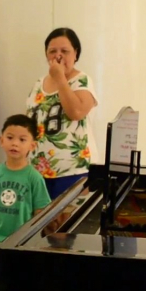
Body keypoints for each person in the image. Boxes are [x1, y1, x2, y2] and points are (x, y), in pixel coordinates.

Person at [26, 28, 98, 200]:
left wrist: (60, 78)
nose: (58, 56)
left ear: (76, 53)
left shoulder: (82, 80)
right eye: (52, 51)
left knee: (68, 223)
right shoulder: (38, 83)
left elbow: (76, 112)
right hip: (38, 169)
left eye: (64, 51)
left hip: (73, 168)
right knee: (41, 223)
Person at [0, 115, 51, 244]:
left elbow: (39, 213)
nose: (15, 143)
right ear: (1, 141)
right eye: (10, 137)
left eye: (22, 139)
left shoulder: (34, 178)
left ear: (32, 145)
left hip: (22, 242)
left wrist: (33, 241)